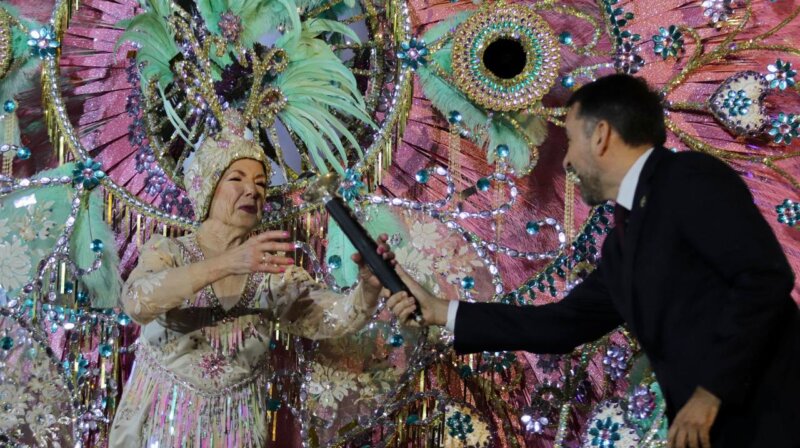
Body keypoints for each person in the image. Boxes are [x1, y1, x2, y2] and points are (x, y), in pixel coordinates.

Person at [386, 74, 800, 448]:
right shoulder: (621, 246)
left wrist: (711, 393)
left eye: (568, 139)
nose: (565, 161)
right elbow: (561, 325)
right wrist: (441, 311)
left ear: (601, 135)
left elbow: (763, 278)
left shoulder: (687, 177)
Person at [109, 111, 394, 447]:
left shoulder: (271, 272)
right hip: (161, 426)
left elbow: (333, 319)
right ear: (207, 189)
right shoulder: (168, 251)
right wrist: (227, 263)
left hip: (237, 431)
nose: (253, 191)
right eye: (237, 179)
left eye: (261, 184)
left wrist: (368, 289)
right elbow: (137, 302)